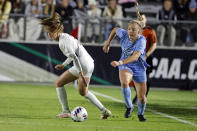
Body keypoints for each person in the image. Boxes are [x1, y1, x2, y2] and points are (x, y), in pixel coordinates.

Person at [40, 13, 111, 119]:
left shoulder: (62, 42)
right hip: (89, 63)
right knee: (83, 92)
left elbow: (75, 58)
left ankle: (66, 111)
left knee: (58, 83)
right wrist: (64, 65)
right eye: (48, 32)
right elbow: (74, 54)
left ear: (57, 31)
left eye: (51, 32)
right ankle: (105, 111)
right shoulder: (67, 37)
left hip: (82, 65)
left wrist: (80, 73)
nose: (49, 35)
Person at [103, 19, 148, 121]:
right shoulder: (124, 34)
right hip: (125, 65)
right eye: (129, 29)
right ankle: (129, 106)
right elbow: (115, 29)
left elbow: (135, 57)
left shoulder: (142, 40)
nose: (130, 31)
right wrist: (108, 42)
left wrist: (119, 63)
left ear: (139, 32)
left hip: (138, 67)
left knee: (142, 97)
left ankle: (140, 114)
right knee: (124, 82)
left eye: (133, 29)